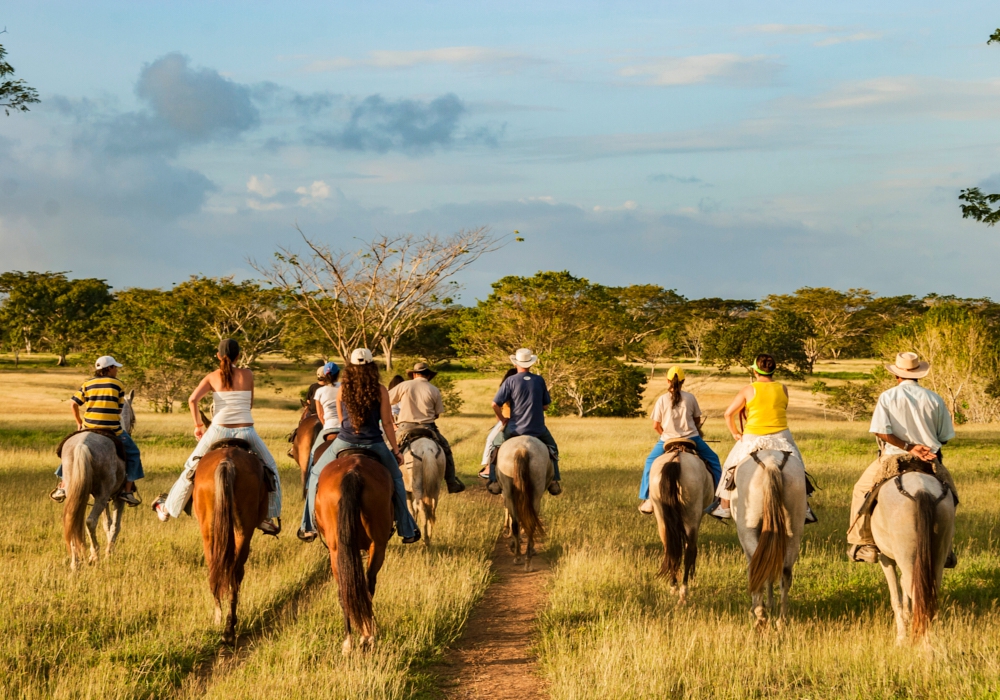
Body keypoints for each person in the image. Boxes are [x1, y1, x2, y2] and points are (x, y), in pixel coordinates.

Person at [151, 339, 282, 535]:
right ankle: (266, 517)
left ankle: (167, 509)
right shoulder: (248, 374)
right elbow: (250, 404)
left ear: (218, 356)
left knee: (191, 467)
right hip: (246, 430)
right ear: (238, 355)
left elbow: (192, 399)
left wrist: (197, 426)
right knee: (271, 467)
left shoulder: (212, 377)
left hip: (218, 430)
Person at [298, 348, 420, 544]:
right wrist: (396, 451)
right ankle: (407, 528)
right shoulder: (380, 390)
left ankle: (308, 526)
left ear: (350, 368)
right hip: (374, 443)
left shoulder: (343, 389)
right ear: (372, 366)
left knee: (314, 475)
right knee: (396, 478)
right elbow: (387, 423)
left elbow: (340, 419)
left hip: (343, 441)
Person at [847, 352, 957, 564]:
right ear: (919, 375)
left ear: (897, 375)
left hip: (894, 457)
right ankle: (947, 548)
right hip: (928, 459)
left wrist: (909, 447)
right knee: (951, 495)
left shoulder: (888, 397)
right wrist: (924, 449)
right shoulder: (934, 398)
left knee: (861, 490)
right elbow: (944, 437)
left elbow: (880, 431)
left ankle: (864, 543)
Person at [707, 353, 815, 523]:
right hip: (781, 434)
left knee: (730, 464)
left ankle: (724, 506)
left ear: (755, 371)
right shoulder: (783, 388)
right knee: (798, 464)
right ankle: (805, 506)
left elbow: (728, 414)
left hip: (753, 435)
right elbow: (782, 407)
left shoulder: (748, 389)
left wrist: (735, 433)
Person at [50, 355, 143, 506]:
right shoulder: (118, 384)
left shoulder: (87, 384)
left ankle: (63, 485)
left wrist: (79, 423)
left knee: (69, 451)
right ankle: (127, 491)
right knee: (134, 453)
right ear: (110, 368)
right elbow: (119, 410)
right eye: (115, 368)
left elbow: (73, 404)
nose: (116, 371)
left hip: (89, 428)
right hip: (112, 429)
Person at [638, 366, 722, 514]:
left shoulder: (662, 399)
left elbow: (655, 425)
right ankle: (718, 499)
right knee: (714, 460)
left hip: (667, 439)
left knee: (649, 463)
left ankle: (647, 498)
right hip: (691, 437)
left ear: (667, 381)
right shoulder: (690, 397)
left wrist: (664, 434)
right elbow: (697, 420)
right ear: (683, 381)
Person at [486, 348, 562, 496]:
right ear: (530, 364)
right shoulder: (539, 380)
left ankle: (494, 481)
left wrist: (502, 419)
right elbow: (546, 405)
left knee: (494, 445)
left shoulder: (510, 380)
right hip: (538, 429)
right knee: (553, 447)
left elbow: (494, 404)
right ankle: (554, 481)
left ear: (516, 364)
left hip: (515, 428)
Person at [389, 362, 465, 494]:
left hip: (405, 426)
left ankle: (387, 482)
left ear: (413, 374)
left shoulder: (404, 385)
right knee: (446, 449)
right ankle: (451, 482)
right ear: (428, 375)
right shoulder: (434, 389)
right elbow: (437, 414)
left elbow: (387, 400)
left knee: (388, 450)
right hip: (428, 427)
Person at [296, 361, 341, 538]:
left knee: (313, 467)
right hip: (346, 431)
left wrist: (327, 427)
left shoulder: (319, 391)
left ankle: (307, 525)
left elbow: (320, 415)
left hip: (328, 429)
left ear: (323, 376)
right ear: (338, 374)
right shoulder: (344, 387)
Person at [480, 368, 517, 478]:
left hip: (507, 421)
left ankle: (488, 468)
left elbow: (496, 406)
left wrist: (501, 420)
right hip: (527, 421)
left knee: (491, 440)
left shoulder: (505, 389)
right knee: (549, 445)